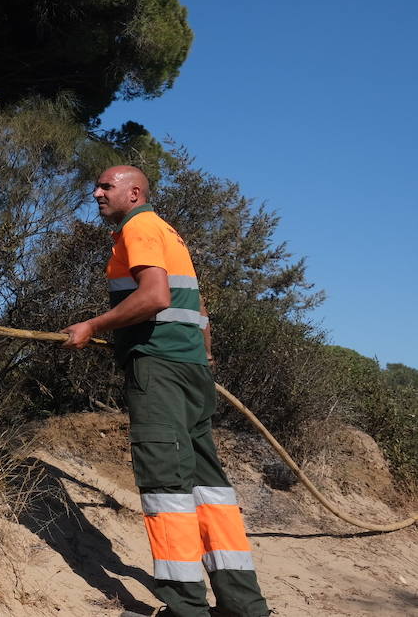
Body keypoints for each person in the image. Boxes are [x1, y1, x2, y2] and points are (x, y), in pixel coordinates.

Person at [62, 166, 270, 617]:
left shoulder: (138, 227)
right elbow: (200, 314)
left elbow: (155, 296)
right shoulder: (168, 232)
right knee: (208, 487)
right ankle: (243, 606)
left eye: (105, 186)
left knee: (166, 487)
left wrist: (93, 326)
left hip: (159, 368)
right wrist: (201, 360)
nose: (95, 192)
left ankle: (185, 608)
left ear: (133, 193)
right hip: (191, 370)